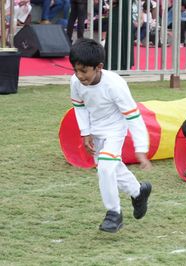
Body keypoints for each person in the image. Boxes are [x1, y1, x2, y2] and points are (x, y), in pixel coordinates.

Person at [69, 38, 153, 233]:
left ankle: (114, 213)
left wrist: (141, 149)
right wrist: (85, 132)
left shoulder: (115, 85)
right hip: (94, 129)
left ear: (99, 67)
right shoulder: (74, 81)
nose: (79, 76)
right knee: (112, 167)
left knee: (105, 169)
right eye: (76, 70)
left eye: (84, 71)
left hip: (115, 129)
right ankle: (138, 192)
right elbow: (79, 106)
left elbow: (133, 116)